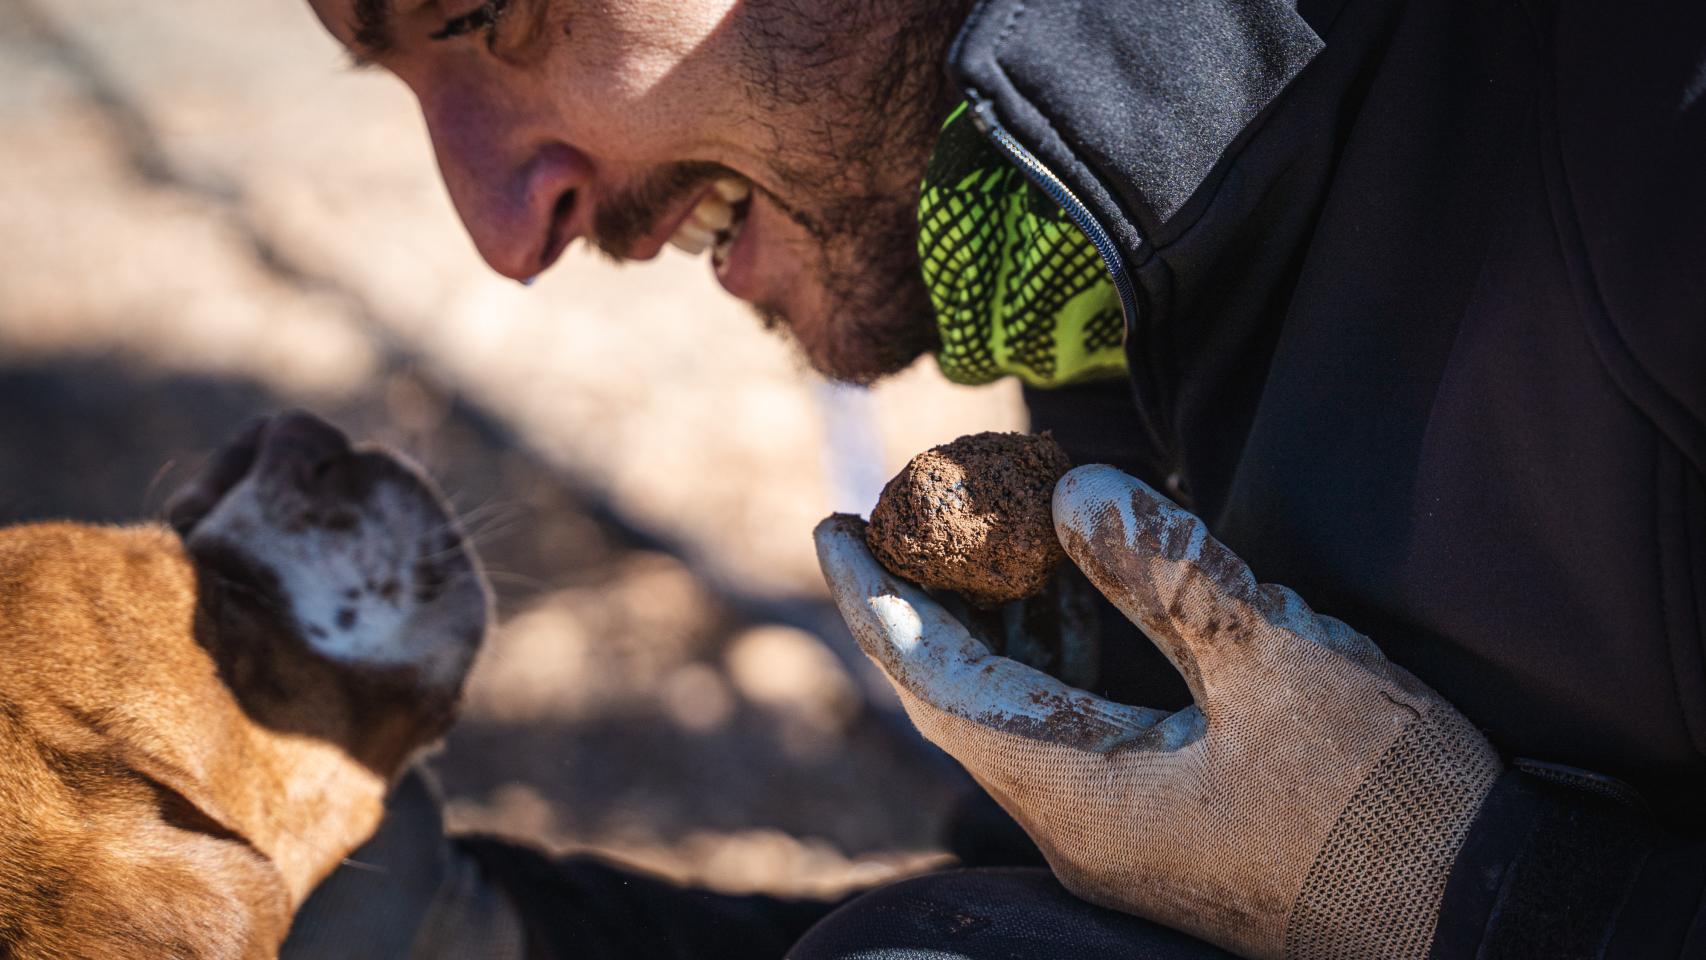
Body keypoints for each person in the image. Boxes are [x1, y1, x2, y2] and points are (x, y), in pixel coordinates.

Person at [289, 0, 1706, 956]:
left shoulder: (1643, 100)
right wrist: (491, 932)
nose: (498, 228)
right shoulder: (1102, 243)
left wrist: (1472, 892)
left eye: (488, 17)